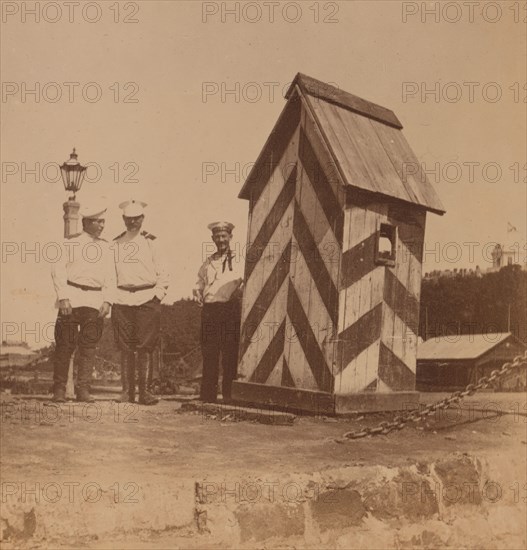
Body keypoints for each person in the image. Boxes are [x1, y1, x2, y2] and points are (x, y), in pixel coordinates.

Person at [51, 204, 113, 403]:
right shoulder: (70, 243)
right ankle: (59, 389)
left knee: (89, 347)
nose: (102, 225)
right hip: (72, 298)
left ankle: (83, 389)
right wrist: (63, 297)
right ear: (86, 222)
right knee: (64, 345)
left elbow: (111, 276)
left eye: (103, 221)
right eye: (98, 221)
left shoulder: (106, 246)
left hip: (94, 301)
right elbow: (58, 269)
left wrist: (108, 300)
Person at [111, 200, 169, 405]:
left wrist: (158, 296)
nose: (133, 222)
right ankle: (127, 392)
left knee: (145, 346)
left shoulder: (152, 242)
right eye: (129, 219)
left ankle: (144, 392)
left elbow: (163, 272)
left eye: (136, 218)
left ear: (143, 219)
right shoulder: (115, 244)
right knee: (125, 346)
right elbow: (110, 274)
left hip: (147, 299)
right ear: (123, 219)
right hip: (122, 299)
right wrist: (111, 299)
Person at [193, 222, 243, 403]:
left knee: (230, 352)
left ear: (230, 237)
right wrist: (197, 292)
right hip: (210, 309)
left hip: (229, 309)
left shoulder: (239, 259)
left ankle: (230, 395)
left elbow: (244, 281)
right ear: (213, 238)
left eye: (224, 236)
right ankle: (208, 396)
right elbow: (199, 281)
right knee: (210, 352)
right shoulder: (208, 262)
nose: (221, 240)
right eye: (217, 237)